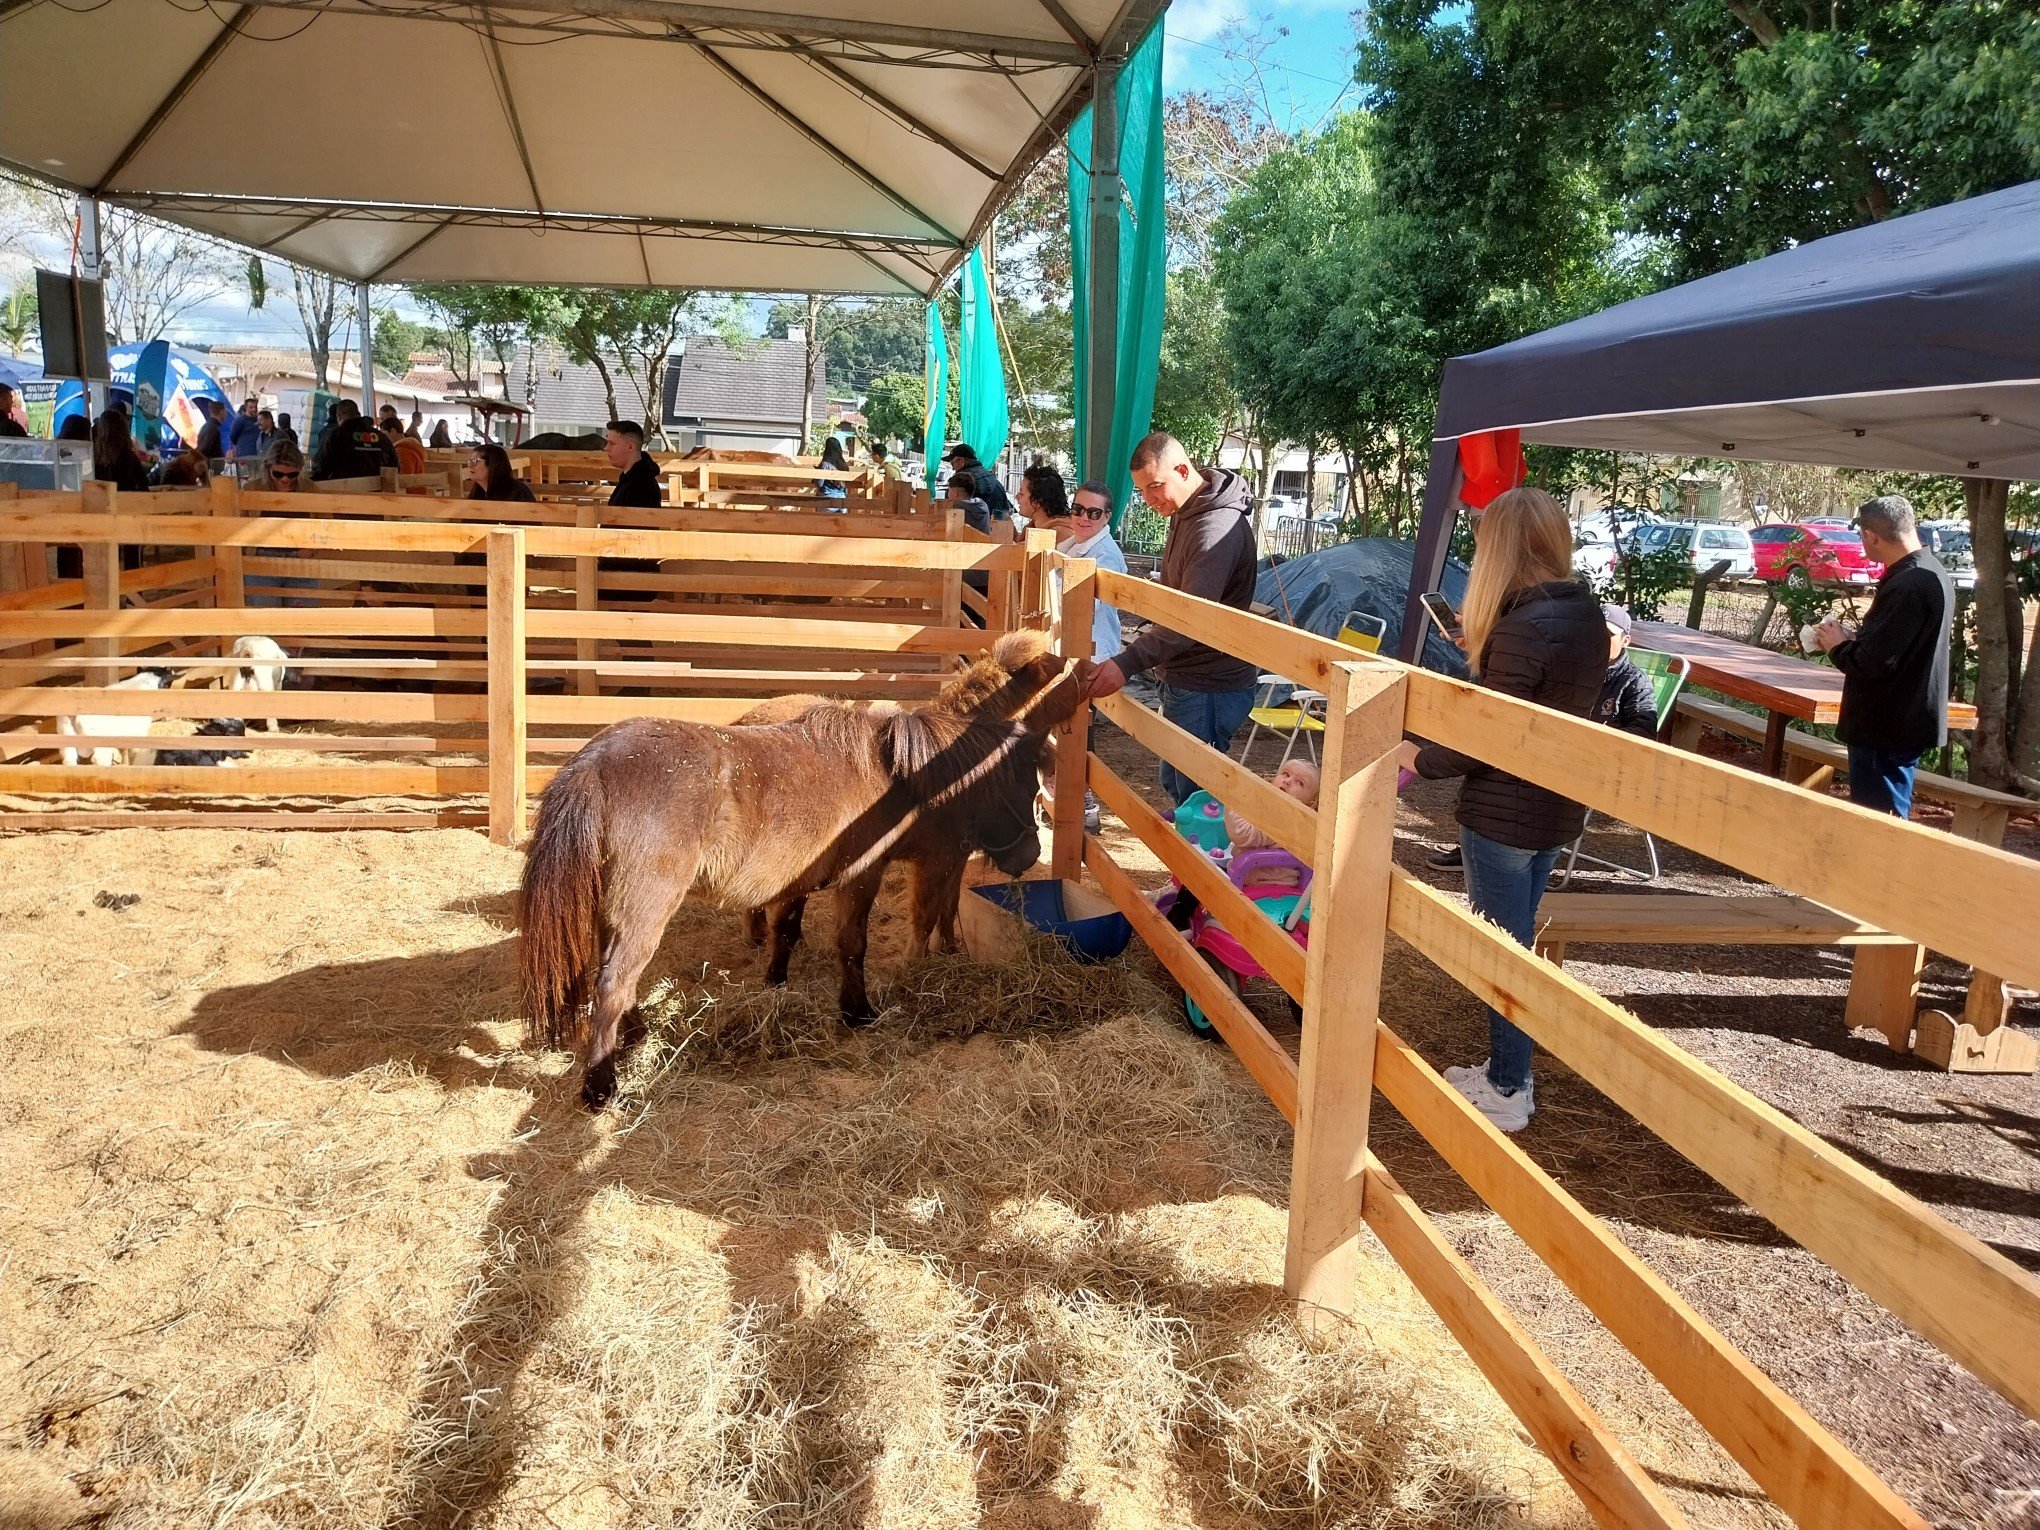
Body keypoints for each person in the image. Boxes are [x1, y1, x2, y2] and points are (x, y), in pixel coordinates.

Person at [1396, 487, 1608, 1133]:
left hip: (1503, 815)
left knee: (1501, 956)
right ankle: (1504, 1073)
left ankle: (1510, 1089)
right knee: (1515, 945)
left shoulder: (1523, 626)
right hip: (1554, 811)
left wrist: (1415, 760)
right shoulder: (1584, 615)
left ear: (1501, 549)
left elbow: (1487, 736)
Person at [1082, 432, 1258, 805]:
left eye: (1155, 486)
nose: (1149, 499)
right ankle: (1189, 861)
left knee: (1196, 795)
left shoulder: (1214, 527)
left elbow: (1191, 617)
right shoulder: (1188, 511)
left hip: (1208, 682)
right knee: (1179, 786)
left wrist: (1126, 663)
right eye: (1142, 491)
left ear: (1182, 469)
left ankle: (1206, 863)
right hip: (1186, 676)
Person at [1814, 494, 1954, 818]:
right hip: (1900, 720)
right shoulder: (1930, 571)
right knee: (1881, 811)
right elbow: (1896, 646)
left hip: (1886, 722)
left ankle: (1879, 869)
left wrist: (1837, 645)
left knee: (1879, 817)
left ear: (1871, 535)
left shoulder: (1909, 584)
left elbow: (1873, 662)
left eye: (1862, 538)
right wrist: (1853, 639)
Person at [247, 440, 312, 606]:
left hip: (300, 560)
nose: (285, 479)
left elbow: (328, 525)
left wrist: (313, 549)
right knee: (266, 624)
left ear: (300, 470)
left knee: (302, 624)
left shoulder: (310, 490)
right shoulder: (252, 490)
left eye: (292, 475)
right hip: (262, 561)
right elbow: (238, 527)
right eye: (278, 474)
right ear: (268, 469)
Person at [1593, 605, 1660, 739]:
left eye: (1609, 633)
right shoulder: (1574, 669)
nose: (1600, 638)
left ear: (1625, 641)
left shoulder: (1636, 682)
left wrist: (1603, 737)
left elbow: (1645, 731)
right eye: (1594, 631)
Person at [311, 398, 398, 481]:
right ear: (359, 414)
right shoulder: (381, 437)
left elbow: (321, 467)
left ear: (338, 417)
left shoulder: (336, 436)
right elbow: (395, 467)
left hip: (344, 493)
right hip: (380, 494)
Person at [944, 443, 1013, 522]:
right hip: (998, 530)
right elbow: (1005, 512)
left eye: (953, 463)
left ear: (962, 461)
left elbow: (949, 509)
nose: (952, 468)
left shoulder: (960, 483)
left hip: (969, 531)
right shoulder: (993, 479)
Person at [466, 443, 537, 502]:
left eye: (475, 461)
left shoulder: (517, 492)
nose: (470, 466)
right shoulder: (477, 492)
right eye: (470, 461)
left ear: (492, 464)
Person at [816, 435, 850, 504]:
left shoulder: (825, 464)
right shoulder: (844, 464)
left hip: (827, 498)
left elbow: (819, 484)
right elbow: (846, 484)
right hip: (842, 499)